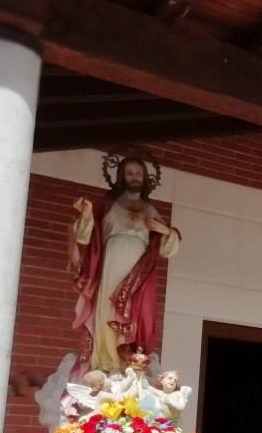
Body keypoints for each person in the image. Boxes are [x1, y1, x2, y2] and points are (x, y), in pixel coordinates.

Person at [70, 157, 180, 373]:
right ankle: (106, 361)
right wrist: (85, 215)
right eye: (130, 173)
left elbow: (168, 248)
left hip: (140, 267)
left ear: (145, 178)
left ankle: (129, 360)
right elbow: (85, 236)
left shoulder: (150, 209)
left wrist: (167, 231)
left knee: (137, 311)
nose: (134, 177)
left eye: (138, 173)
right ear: (122, 177)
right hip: (112, 261)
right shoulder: (108, 204)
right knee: (107, 308)